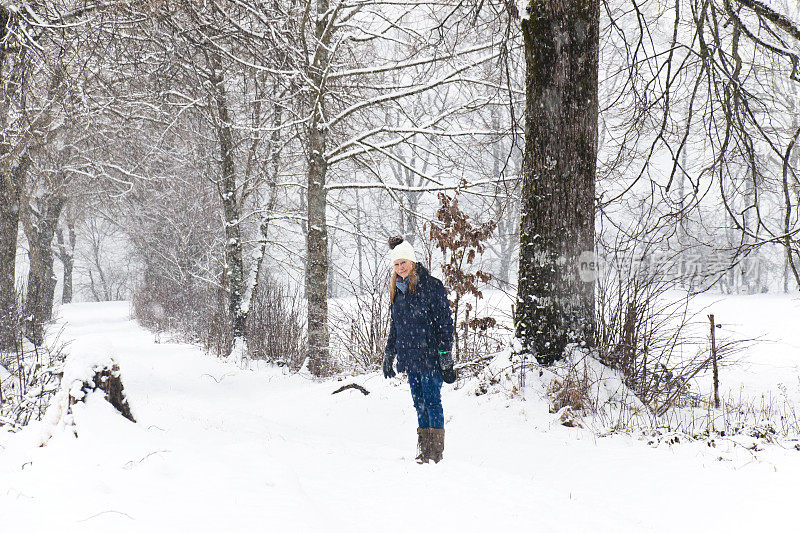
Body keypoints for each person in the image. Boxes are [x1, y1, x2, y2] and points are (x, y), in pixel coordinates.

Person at [383, 236, 456, 464]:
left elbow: (445, 323)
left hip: (430, 356)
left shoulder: (431, 286)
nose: (400, 267)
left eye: (403, 262)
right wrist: (389, 353)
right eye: (396, 264)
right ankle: (424, 451)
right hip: (410, 357)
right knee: (419, 402)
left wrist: (445, 355)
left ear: (412, 262)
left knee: (432, 401)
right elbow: (396, 325)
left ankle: (436, 453)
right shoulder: (398, 290)